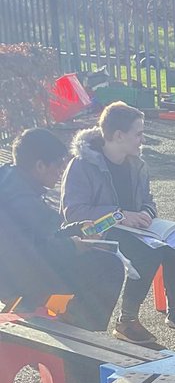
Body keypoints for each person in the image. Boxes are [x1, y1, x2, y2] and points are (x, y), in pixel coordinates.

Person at [60, 101, 175, 344]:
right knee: (147, 253)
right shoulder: (82, 165)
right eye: (138, 134)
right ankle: (127, 321)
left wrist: (146, 212)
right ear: (118, 135)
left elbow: (148, 200)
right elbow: (74, 212)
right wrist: (119, 215)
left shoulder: (137, 163)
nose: (142, 140)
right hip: (98, 232)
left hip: (133, 229)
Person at [0, 128, 123, 330]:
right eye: (58, 166)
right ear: (40, 165)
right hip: (15, 281)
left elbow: (37, 238)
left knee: (95, 261)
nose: (60, 172)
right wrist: (73, 246)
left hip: (11, 273)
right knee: (109, 266)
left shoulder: (11, 183)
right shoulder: (23, 200)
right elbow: (35, 253)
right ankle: (84, 336)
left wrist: (75, 230)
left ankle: (69, 322)